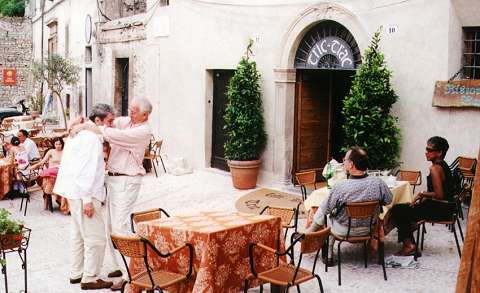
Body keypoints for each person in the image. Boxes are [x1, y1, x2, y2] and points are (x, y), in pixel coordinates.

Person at [53, 104, 115, 290]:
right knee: (96, 238)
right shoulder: (90, 139)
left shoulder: (77, 135)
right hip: (84, 194)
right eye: (109, 121)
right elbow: (84, 170)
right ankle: (89, 277)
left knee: (78, 236)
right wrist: (88, 199)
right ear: (98, 121)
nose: (111, 125)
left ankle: (76, 272)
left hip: (75, 193)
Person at [307, 146, 393, 264]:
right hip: (369, 229)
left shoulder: (340, 187)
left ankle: (319, 244)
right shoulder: (378, 183)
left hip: (344, 230)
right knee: (326, 214)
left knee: (324, 214)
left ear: (351, 164)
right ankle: (310, 234)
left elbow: (326, 208)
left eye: (345, 160)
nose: (344, 162)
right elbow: (389, 200)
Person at [104, 98, 152, 290]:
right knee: (110, 226)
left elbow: (111, 133)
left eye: (134, 111)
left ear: (145, 115)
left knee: (121, 226)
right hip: (114, 178)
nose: (129, 113)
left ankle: (130, 274)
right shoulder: (127, 122)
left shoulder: (142, 131)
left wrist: (100, 128)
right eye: (130, 110)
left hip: (127, 180)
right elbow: (110, 122)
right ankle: (119, 265)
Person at [390, 136, 454, 256]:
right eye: (426, 149)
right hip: (446, 208)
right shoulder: (443, 165)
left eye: (430, 150)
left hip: (440, 209)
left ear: (440, 152)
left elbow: (439, 195)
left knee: (397, 210)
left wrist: (421, 193)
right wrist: (422, 197)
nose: (426, 153)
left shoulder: (435, 168)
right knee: (405, 208)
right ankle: (411, 236)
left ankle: (409, 246)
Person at [30, 137, 69, 214]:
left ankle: (66, 203)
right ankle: (56, 198)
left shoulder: (65, 151)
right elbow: (43, 161)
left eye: (60, 144)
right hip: (52, 171)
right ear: (54, 144)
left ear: (62, 144)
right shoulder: (51, 151)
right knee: (49, 180)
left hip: (63, 170)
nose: (58, 146)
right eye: (56, 144)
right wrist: (35, 166)